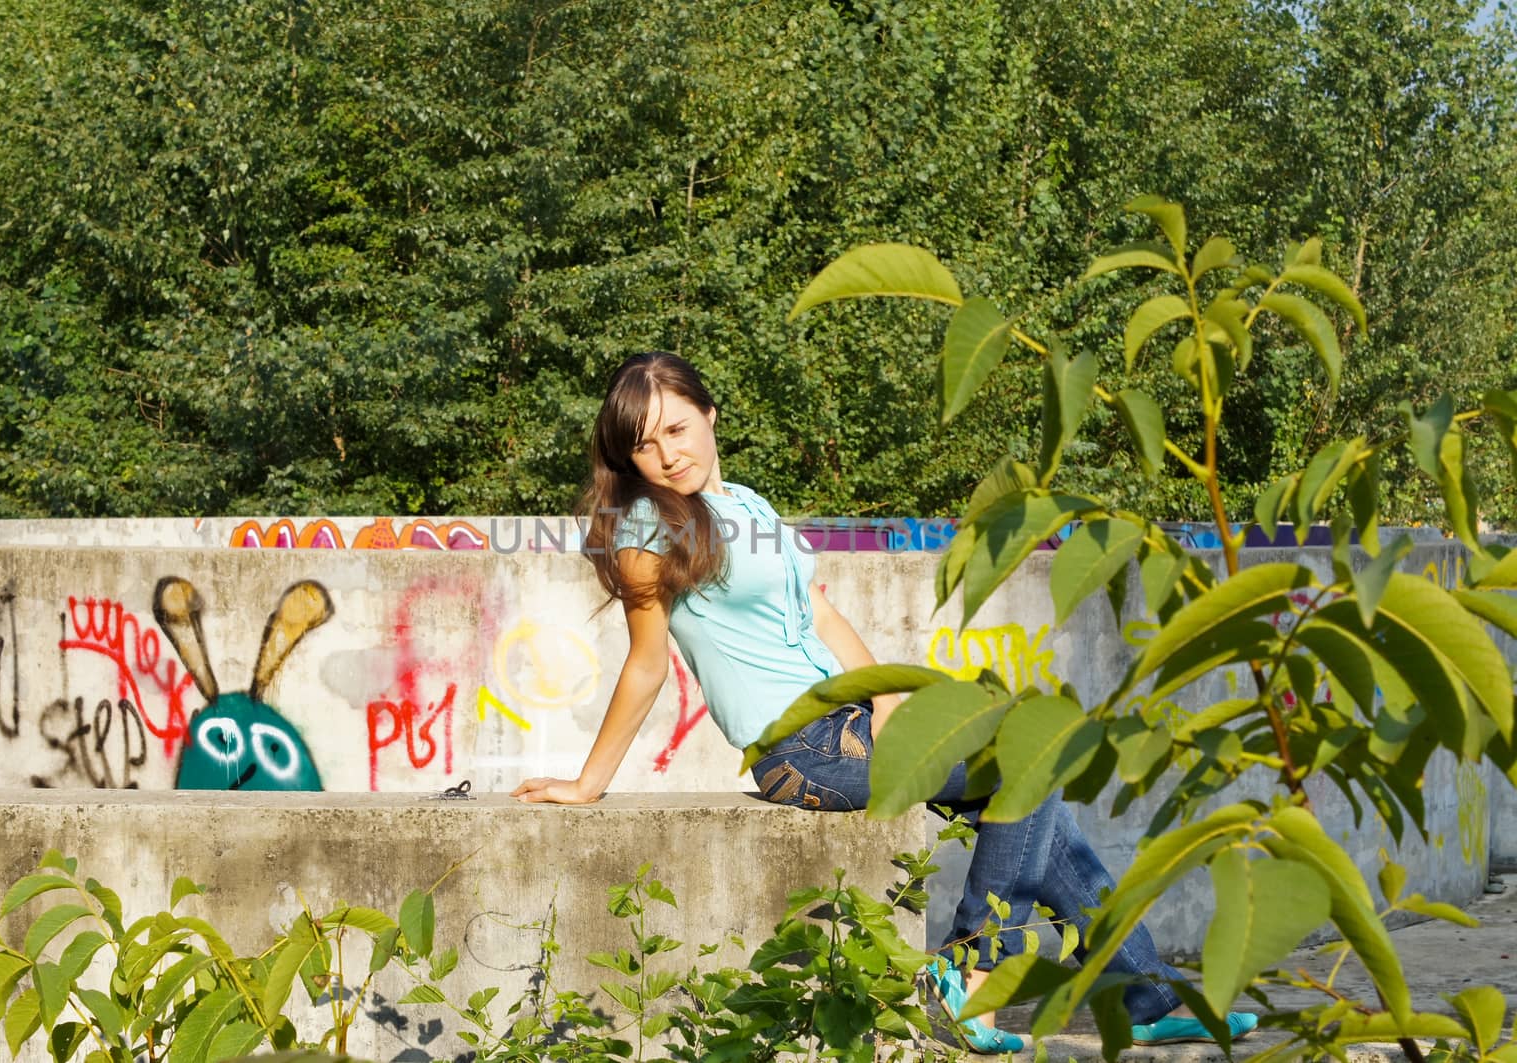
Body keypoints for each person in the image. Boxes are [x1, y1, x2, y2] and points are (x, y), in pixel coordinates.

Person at [511, 351, 1256, 1052]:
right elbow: (646, 665)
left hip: (849, 720)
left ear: (711, 414)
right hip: (799, 748)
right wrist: (587, 783)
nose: (668, 453)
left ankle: (1141, 999)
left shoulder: (746, 504)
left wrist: (891, 696)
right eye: (645, 445)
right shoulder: (648, 528)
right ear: (629, 460)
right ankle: (966, 975)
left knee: (1039, 800)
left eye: (677, 427)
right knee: (1026, 766)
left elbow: (823, 615)